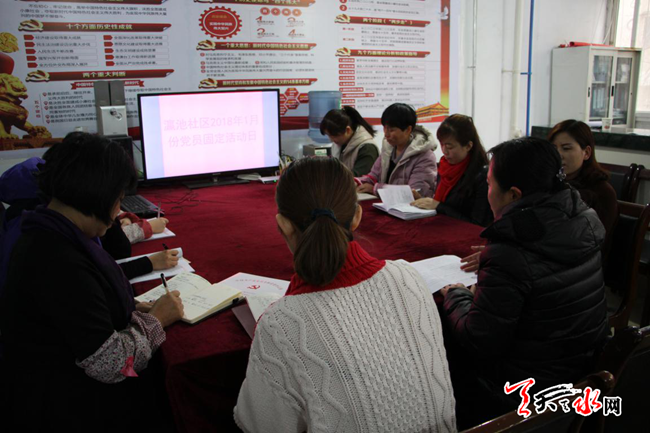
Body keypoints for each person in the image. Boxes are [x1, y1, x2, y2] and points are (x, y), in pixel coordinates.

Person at [234, 157, 456, 433]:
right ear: (357, 217)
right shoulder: (408, 278)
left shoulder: (281, 324)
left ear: (283, 224)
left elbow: (258, 424)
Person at [0, 132, 185, 430]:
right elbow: (112, 364)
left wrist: (132, 308)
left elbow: (83, 306)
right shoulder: (57, 260)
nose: (117, 213)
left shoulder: (50, 229)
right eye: (119, 200)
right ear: (99, 195)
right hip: (65, 406)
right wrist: (158, 320)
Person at [440, 137, 609, 428]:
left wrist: (457, 295)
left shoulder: (511, 251)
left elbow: (479, 340)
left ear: (513, 195)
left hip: (525, 389)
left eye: (490, 184)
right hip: (583, 368)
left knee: (442, 348)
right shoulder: (583, 218)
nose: (487, 191)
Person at [548, 119, 618, 258]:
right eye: (554, 149)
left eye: (566, 148)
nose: (559, 155)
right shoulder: (549, 182)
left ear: (586, 152)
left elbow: (593, 243)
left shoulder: (601, 192)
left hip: (582, 262)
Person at [411, 114, 493, 226]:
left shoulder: (482, 176)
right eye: (442, 144)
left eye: (450, 147)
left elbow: (477, 223)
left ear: (468, 146)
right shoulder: (445, 167)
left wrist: (438, 206)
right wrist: (422, 201)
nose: (444, 151)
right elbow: (442, 204)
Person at [356, 103, 438, 197]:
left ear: (408, 130)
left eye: (392, 130)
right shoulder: (388, 149)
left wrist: (376, 189)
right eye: (385, 128)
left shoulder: (425, 156)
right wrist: (356, 182)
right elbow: (373, 176)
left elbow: (415, 193)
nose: (386, 134)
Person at [320, 106, 379, 176]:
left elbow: (356, 177)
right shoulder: (339, 144)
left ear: (348, 130)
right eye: (328, 135)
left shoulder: (367, 148)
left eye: (334, 136)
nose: (331, 140)